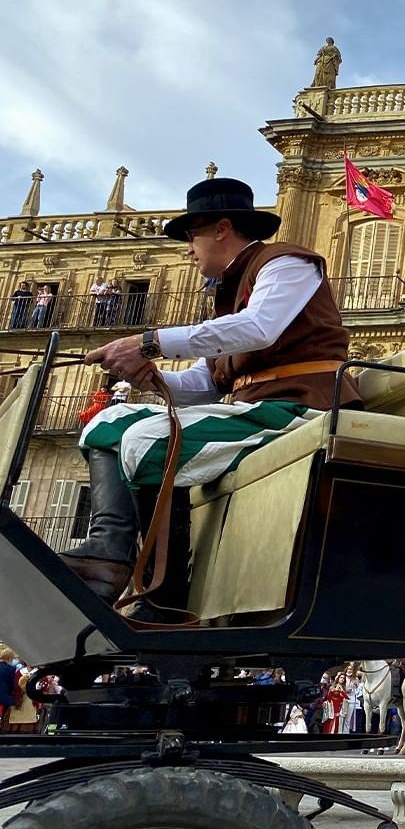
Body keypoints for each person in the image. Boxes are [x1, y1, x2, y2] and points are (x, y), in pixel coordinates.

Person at [61, 176, 360, 617]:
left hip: (300, 407)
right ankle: (109, 551)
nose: (188, 249)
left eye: (191, 235)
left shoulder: (286, 263)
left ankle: (165, 596)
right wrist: (151, 378)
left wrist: (149, 342)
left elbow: (260, 328)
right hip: (253, 409)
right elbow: (204, 382)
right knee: (104, 424)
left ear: (222, 228)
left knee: (147, 441)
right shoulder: (229, 296)